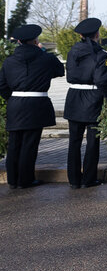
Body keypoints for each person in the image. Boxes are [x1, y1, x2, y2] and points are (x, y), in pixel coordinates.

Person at [0, 24, 64, 189]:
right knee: (30, 143)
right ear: (35, 40)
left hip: (16, 104)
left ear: (19, 41)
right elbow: (59, 71)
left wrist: (13, 98)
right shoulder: (46, 58)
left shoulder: (9, 61)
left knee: (14, 143)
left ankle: (13, 179)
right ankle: (26, 179)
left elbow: (2, 85)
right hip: (37, 104)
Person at [64, 18, 107, 189]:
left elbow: (69, 76)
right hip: (92, 98)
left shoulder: (73, 51)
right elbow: (101, 80)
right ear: (97, 34)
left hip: (73, 97)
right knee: (92, 141)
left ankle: (73, 179)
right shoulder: (102, 55)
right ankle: (89, 178)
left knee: (74, 141)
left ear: (81, 35)